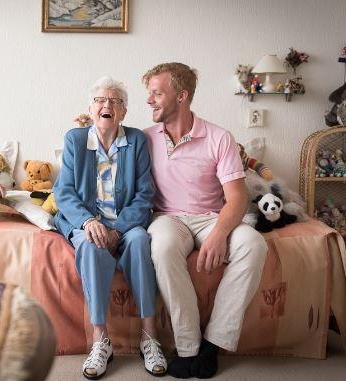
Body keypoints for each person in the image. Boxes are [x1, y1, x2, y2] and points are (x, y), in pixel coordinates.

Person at [141, 63, 268, 379]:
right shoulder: (143, 139)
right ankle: (188, 347)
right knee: (163, 248)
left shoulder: (219, 137)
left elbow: (237, 197)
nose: (150, 101)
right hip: (166, 217)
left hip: (211, 217)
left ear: (181, 96)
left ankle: (214, 344)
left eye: (157, 93)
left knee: (254, 244)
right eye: (149, 94)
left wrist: (219, 234)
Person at [54, 76, 167, 379]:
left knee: (141, 240)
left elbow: (145, 193)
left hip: (126, 223)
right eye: (100, 100)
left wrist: (119, 230)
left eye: (115, 101)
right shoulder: (75, 140)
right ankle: (100, 339)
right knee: (91, 246)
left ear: (124, 112)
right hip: (88, 221)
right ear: (90, 108)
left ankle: (149, 336)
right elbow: (63, 192)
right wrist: (88, 221)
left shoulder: (137, 141)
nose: (107, 105)